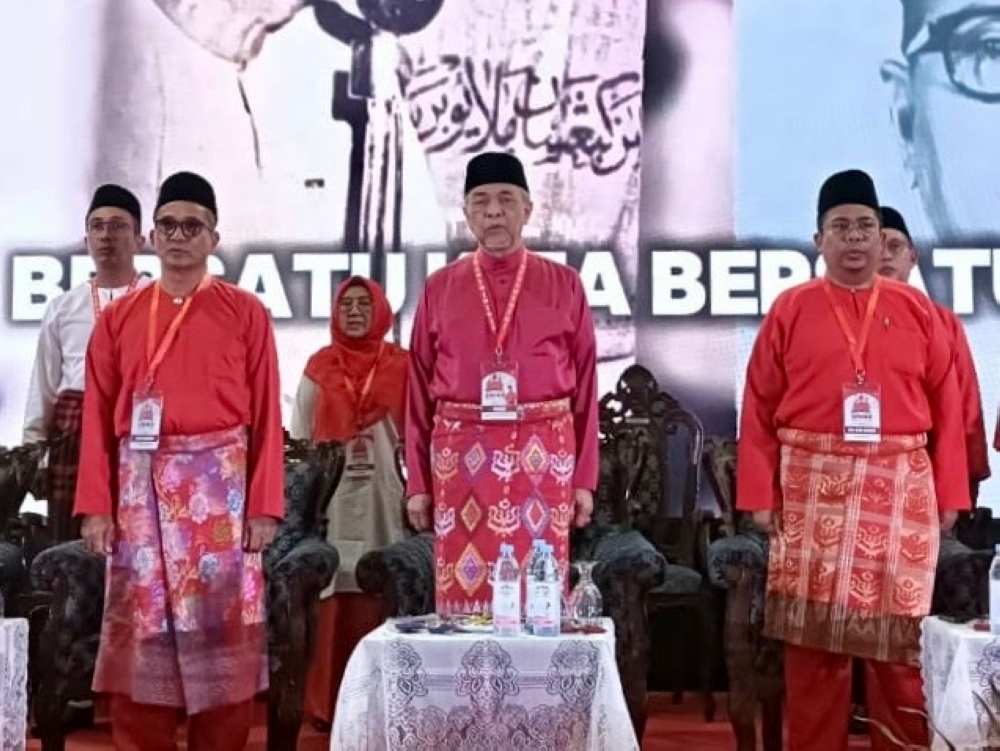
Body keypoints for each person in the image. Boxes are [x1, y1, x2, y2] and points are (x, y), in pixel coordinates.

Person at [737, 169, 969, 751]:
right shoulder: (791, 309)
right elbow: (760, 406)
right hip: (813, 488)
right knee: (816, 653)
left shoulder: (919, 312)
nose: (856, 239)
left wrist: (952, 495)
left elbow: (947, 407)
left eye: (866, 225)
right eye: (840, 227)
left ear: (881, 234)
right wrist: (759, 495)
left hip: (900, 489)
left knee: (899, 650)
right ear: (819, 240)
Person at [74, 171, 285, 750]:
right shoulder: (118, 318)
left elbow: (267, 414)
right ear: (150, 236)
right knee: (143, 635)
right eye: (167, 224)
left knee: (220, 643)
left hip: (222, 490)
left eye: (192, 225)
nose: (178, 236)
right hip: (140, 492)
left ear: (214, 238)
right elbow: (97, 418)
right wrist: (95, 507)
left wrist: (264, 506)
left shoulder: (245, 312)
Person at [405, 151, 598, 616]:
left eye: (506, 200)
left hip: (543, 458)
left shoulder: (564, 284)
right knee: (463, 602)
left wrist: (584, 479)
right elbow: (416, 390)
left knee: (540, 595)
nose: (494, 211)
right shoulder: (440, 287)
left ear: (528, 210)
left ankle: (534, 690)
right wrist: (418, 481)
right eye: (481, 200)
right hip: (460, 461)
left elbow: (587, 390)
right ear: (467, 212)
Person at [291, 275, 408, 727]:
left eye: (364, 304)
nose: (355, 312)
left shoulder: (403, 365)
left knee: (381, 583)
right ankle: (326, 704)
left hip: (387, 494)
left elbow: (419, 435)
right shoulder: (318, 368)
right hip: (334, 497)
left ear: (381, 310)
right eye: (346, 305)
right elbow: (300, 437)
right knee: (332, 586)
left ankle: (380, 700)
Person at [23, 185, 148, 543]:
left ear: (140, 240)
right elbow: (43, 387)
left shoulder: (158, 301)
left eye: (118, 226)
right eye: (97, 226)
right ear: (86, 238)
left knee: (138, 544)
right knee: (70, 545)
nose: (106, 235)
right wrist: (36, 456)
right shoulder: (63, 307)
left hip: (138, 428)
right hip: (74, 428)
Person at [878, 205, 990, 502]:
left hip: (926, 478)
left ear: (912, 257)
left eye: (895, 246)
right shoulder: (832, 318)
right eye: (877, 245)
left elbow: (966, 406)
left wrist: (967, 480)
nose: (885, 255)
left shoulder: (942, 322)